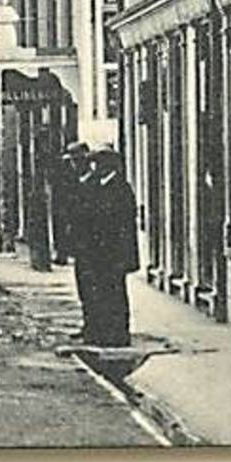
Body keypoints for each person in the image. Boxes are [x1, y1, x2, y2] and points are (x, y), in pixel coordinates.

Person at [72, 146, 139, 348]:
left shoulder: (120, 188)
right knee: (99, 292)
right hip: (98, 253)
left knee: (115, 293)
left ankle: (118, 334)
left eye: (98, 162)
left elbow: (123, 226)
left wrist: (124, 256)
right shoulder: (97, 186)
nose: (95, 166)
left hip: (114, 253)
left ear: (108, 165)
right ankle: (100, 331)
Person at [51, 141, 89, 266]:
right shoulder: (64, 172)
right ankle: (62, 255)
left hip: (78, 207)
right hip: (65, 206)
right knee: (63, 231)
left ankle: (72, 253)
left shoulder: (85, 170)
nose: (75, 162)